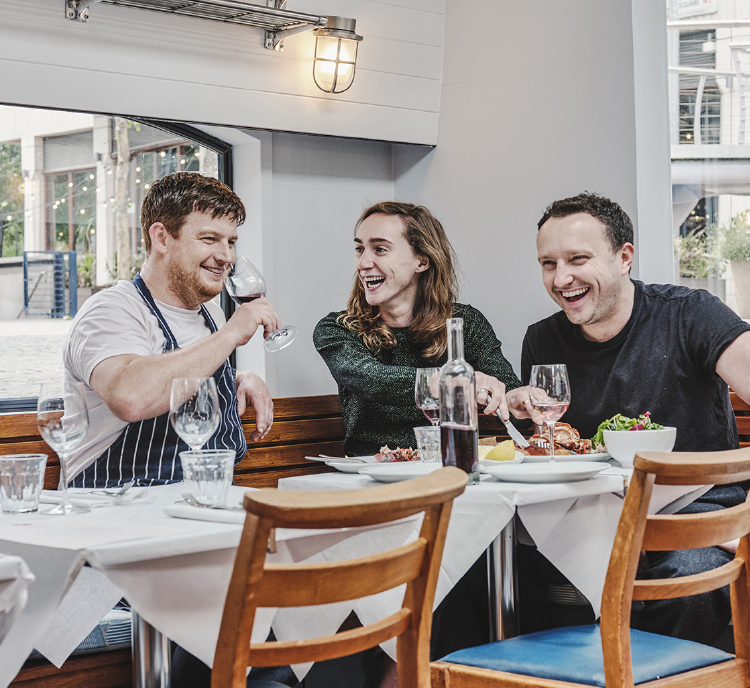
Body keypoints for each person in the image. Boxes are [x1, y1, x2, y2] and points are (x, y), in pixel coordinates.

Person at [506, 191, 750, 648]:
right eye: (548, 263)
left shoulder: (689, 315)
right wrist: (525, 418)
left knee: (686, 582)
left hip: (694, 520)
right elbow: (550, 453)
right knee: (494, 579)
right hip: (589, 522)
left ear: (624, 258)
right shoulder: (542, 340)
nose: (562, 279)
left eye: (578, 258)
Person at [63, 172, 279, 489]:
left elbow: (186, 373)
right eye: (209, 239)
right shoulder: (111, 310)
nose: (226, 256)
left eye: (230, 241)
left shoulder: (213, 315)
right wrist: (230, 335)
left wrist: (238, 378)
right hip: (113, 509)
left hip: (201, 505)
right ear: (161, 237)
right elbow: (130, 398)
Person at [314, 201, 521, 457]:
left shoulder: (464, 323)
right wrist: (450, 383)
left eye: (380, 249)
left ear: (422, 261)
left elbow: (508, 395)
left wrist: (516, 400)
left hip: (449, 472)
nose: (363, 263)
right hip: (372, 476)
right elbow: (373, 380)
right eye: (359, 249)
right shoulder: (338, 329)